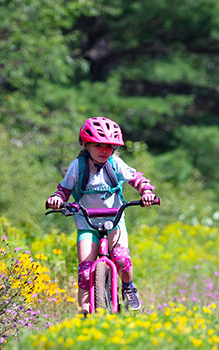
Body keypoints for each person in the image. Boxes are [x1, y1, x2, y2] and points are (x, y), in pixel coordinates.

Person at [46, 117, 157, 313]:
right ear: (87, 145)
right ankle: (86, 313)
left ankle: (128, 287)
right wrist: (57, 200)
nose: (104, 150)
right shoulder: (77, 167)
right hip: (87, 224)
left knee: (121, 258)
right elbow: (63, 190)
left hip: (114, 221)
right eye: (99, 145)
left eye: (109, 146)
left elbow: (137, 179)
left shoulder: (115, 164)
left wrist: (146, 193)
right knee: (86, 271)